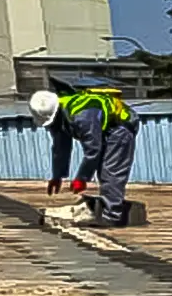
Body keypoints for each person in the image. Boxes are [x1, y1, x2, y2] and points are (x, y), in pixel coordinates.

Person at [33, 87, 139, 228]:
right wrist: (57, 176)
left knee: (110, 171)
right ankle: (110, 206)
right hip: (104, 129)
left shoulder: (82, 116)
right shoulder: (58, 119)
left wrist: (81, 179)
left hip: (120, 129)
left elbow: (93, 150)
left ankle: (112, 217)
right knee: (104, 171)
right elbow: (60, 147)